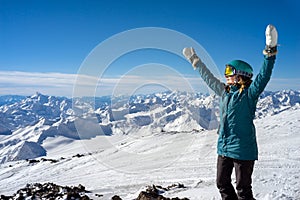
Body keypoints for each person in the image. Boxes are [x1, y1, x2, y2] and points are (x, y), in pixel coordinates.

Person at [182, 24, 278, 200]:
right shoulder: (224, 92)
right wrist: (195, 61)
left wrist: (270, 51)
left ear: (241, 74)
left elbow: (264, 76)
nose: (226, 75)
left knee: (243, 189)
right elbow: (208, 78)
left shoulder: (250, 94)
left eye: (229, 71)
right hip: (224, 147)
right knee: (222, 183)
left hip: (243, 150)